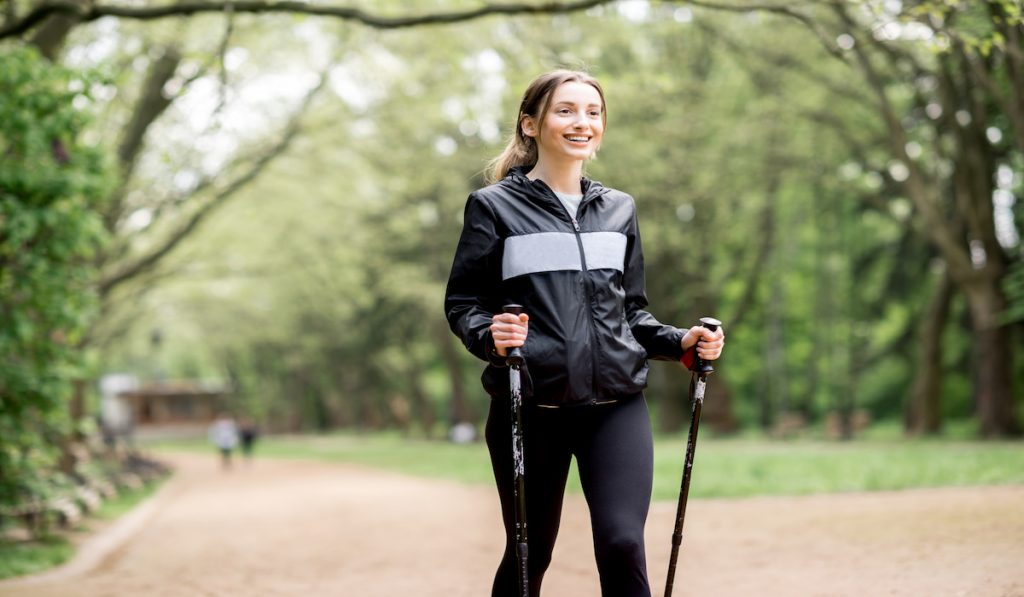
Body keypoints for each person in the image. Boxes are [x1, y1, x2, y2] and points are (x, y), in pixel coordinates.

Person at [444, 70, 725, 597]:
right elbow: (464, 304)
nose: (582, 122)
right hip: (529, 406)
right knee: (532, 553)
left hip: (615, 407)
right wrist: (491, 334)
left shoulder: (619, 209)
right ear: (531, 124)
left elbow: (632, 313)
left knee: (622, 542)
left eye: (593, 112)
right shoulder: (494, 207)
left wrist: (679, 341)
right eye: (566, 110)